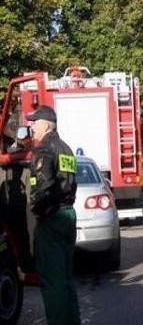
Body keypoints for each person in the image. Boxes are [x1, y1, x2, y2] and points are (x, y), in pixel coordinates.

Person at [27, 105, 81, 325]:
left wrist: (39, 211)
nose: (31, 127)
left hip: (52, 219)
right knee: (67, 280)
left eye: (35, 123)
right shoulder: (66, 148)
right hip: (68, 215)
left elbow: (44, 187)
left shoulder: (45, 150)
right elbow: (70, 184)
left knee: (53, 284)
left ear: (46, 125)